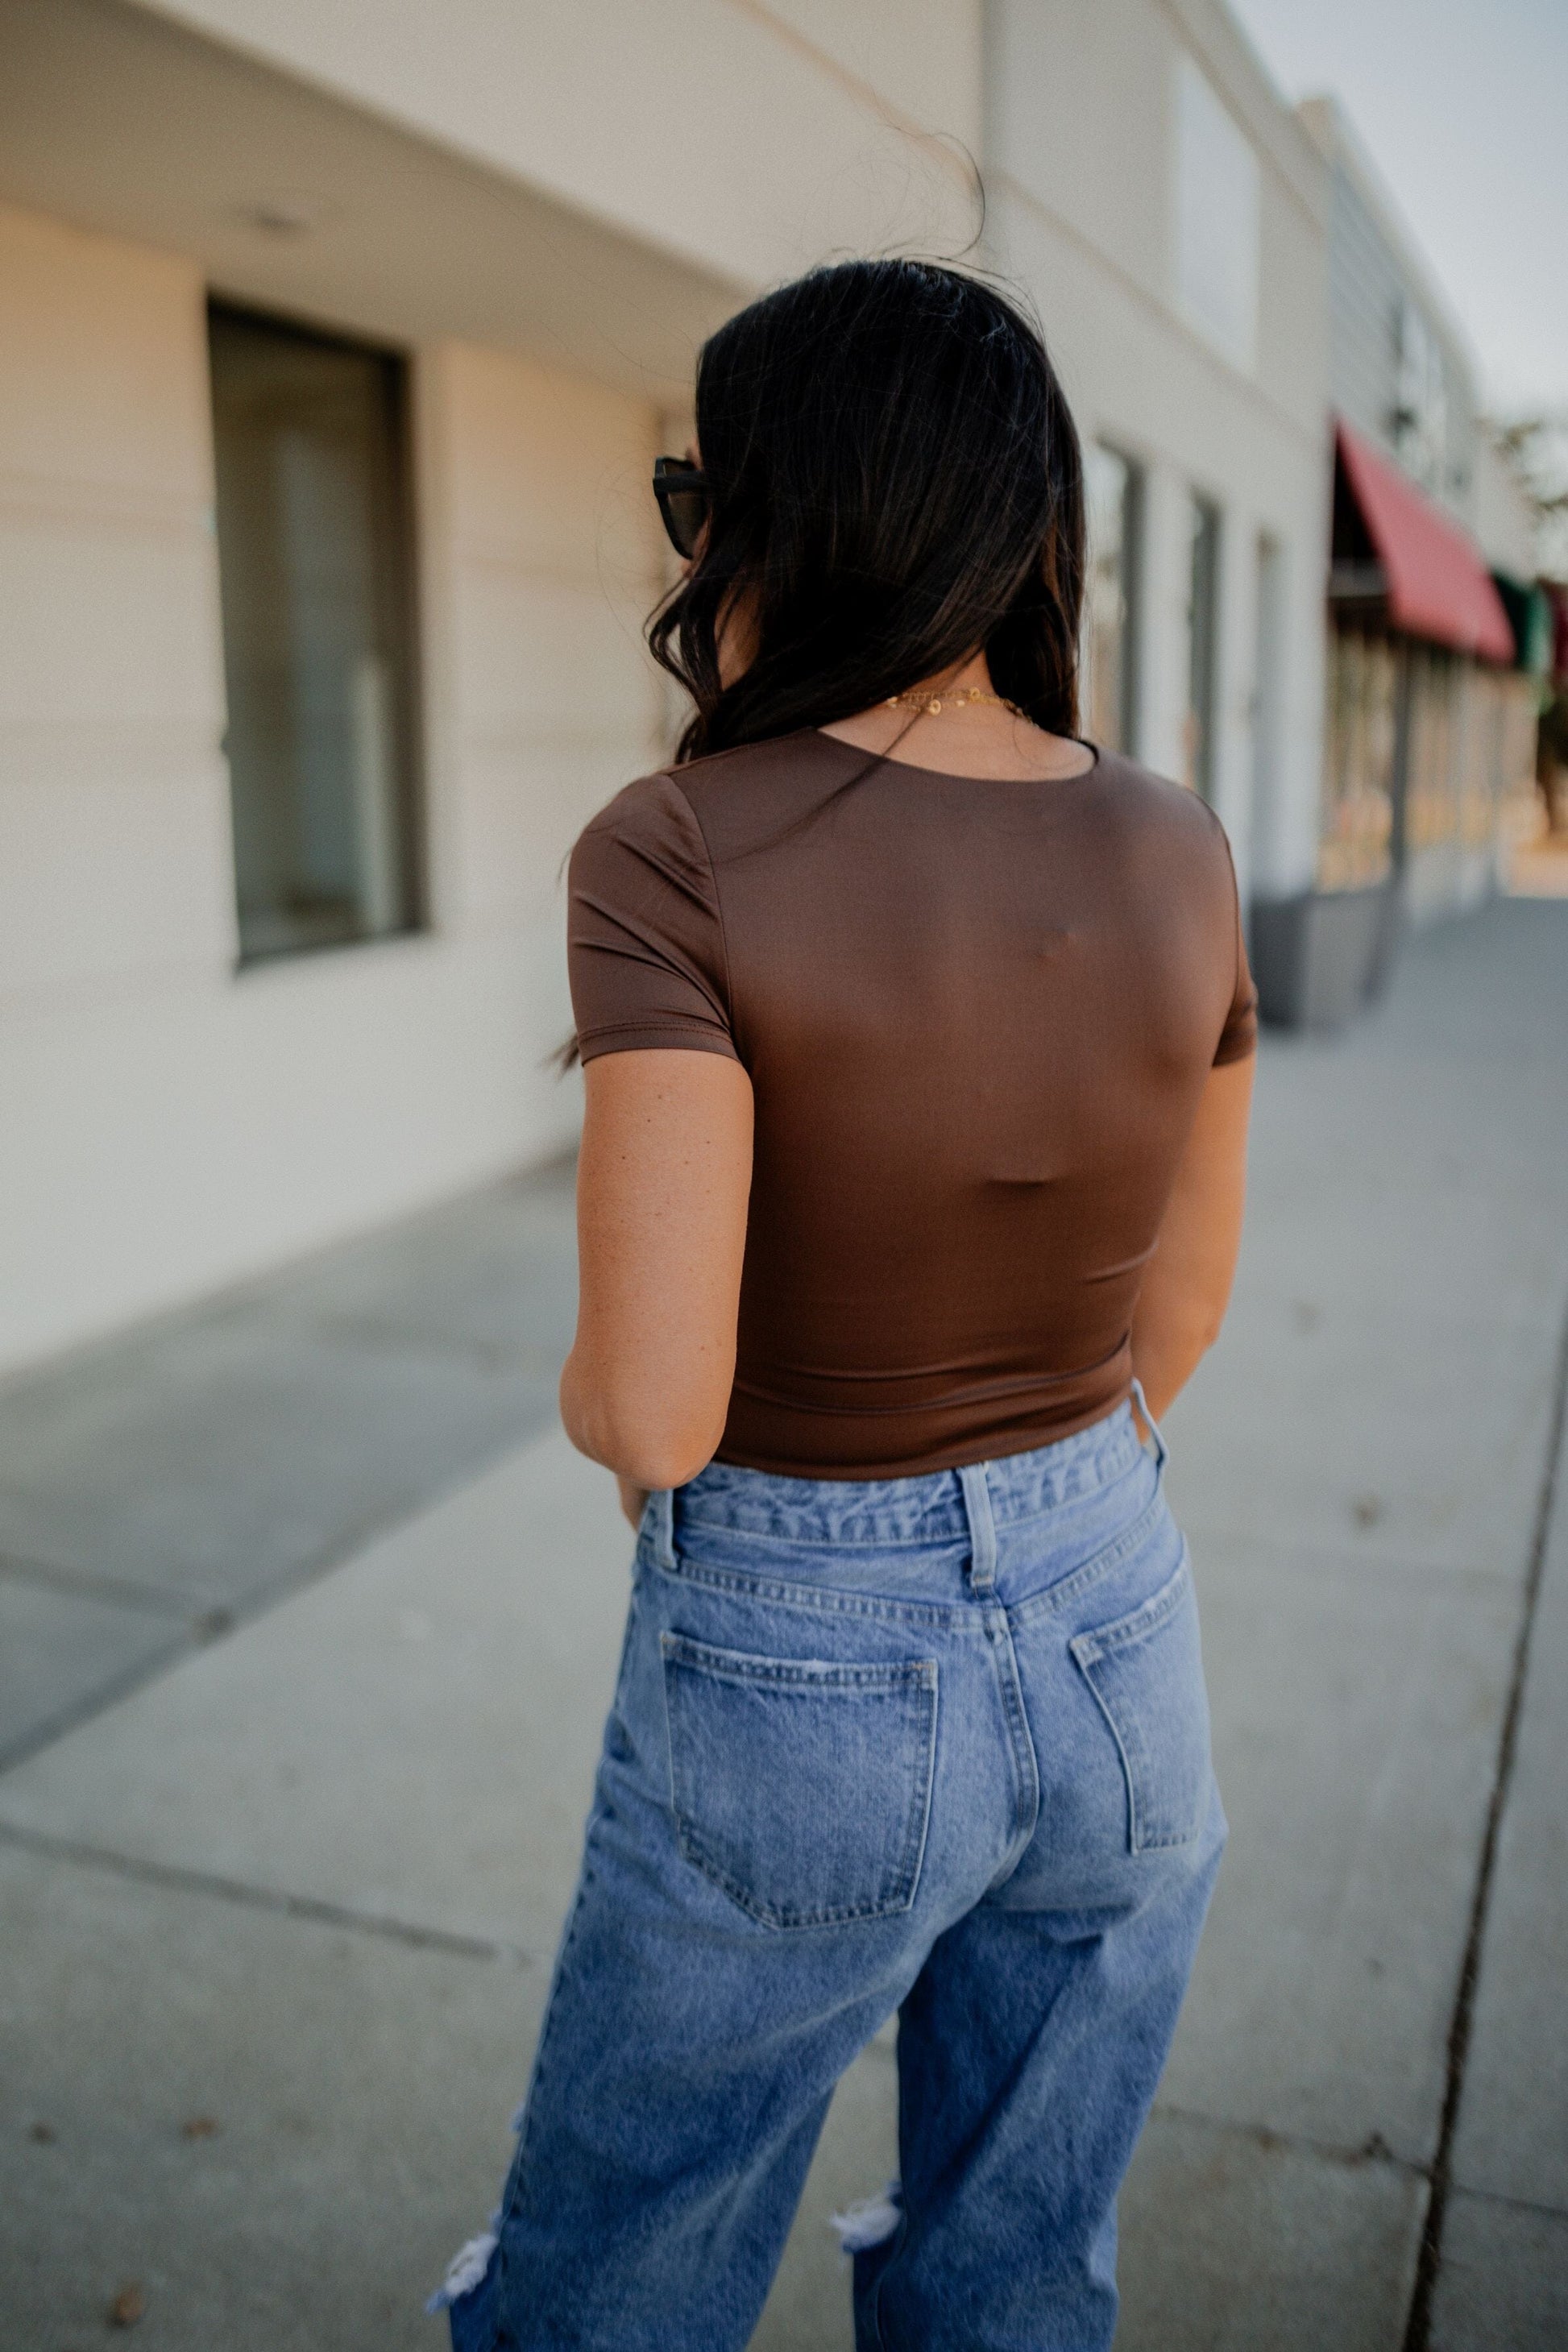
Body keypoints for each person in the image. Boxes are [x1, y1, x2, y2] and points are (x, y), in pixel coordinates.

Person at [434, 259, 1255, 2352]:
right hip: (1120, 1614)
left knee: (614, 2291)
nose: (687, 534)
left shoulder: (677, 848)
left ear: (784, 508)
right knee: (1008, 2282)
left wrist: (616, 1394)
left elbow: (648, 1412)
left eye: (694, 483)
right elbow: (1182, 1310)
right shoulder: (1177, 845)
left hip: (802, 1658)